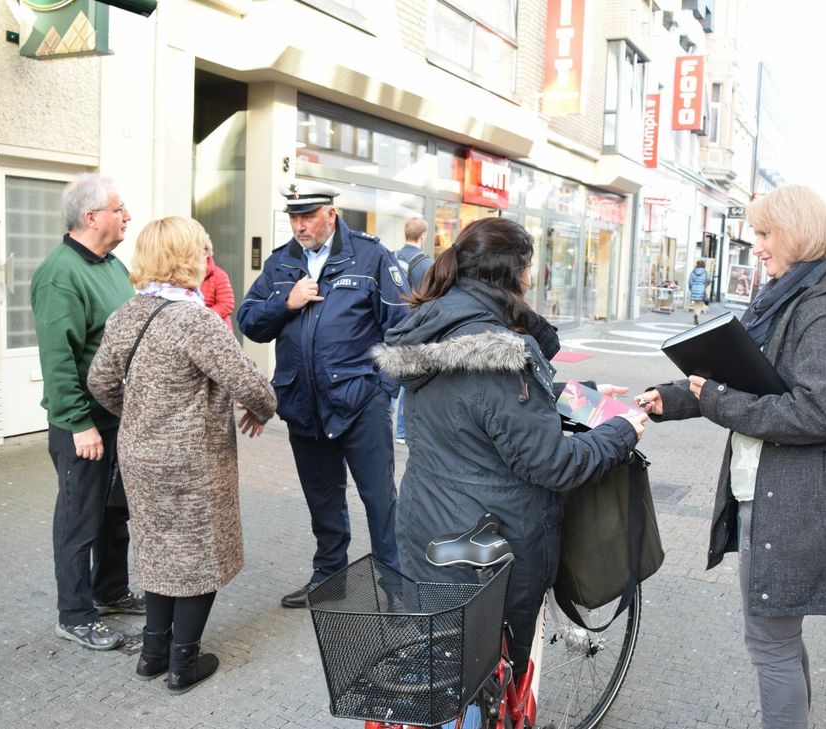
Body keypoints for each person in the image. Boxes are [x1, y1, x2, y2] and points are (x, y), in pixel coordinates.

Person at [637, 185, 826, 729]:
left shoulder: (824, 316)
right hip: (771, 497)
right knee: (779, 640)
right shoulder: (785, 303)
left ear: (798, 233)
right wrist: (672, 399)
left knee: (769, 643)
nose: (758, 247)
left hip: (792, 505)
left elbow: (818, 414)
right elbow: (746, 383)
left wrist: (714, 399)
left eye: (766, 234)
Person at [373, 217, 648, 670]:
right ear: (517, 273)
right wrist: (622, 432)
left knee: (442, 661)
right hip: (494, 541)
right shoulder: (497, 350)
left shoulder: (437, 325)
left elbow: (474, 409)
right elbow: (553, 464)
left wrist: (583, 395)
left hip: (428, 523)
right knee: (493, 670)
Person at [88, 216, 276, 693]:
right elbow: (249, 382)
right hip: (193, 459)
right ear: (187, 258)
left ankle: (153, 654)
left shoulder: (126, 313)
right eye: (202, 250)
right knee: (198, 556)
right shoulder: (195, 320)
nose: (207, 258)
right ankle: (182, 664)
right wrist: (263, 408)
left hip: (138, 455)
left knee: (157, 549)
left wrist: (138, 417)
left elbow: (99, 383)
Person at [237, 180, 410, 609]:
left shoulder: (371, 256)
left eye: (308, 216)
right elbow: (249, 321)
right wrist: (286, 304)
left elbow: (402, 327)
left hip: (359, 403)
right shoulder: (281, 264)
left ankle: (397, 585)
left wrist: (382, 391)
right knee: (322, 498)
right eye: (293, 217)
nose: (299, 226)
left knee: (379, 500)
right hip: (303, 404)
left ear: (331, 214)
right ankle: (329, 576)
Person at [31, 173, 143, 651]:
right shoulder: (61, 274)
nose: (127, 217)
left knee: (113, 513)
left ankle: (110, 590)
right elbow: (58, 360)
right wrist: (79, 424)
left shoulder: (111, 266)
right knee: (79, 520)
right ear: (91, 216)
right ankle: (74, 614)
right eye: (120, 209)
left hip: (117, 420)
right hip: (84, 426)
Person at [392, 217, 432, 444]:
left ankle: (386, 425)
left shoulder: (392, 257)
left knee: (389, 372)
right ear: (423, 235)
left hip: (392, 325)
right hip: (414, 327)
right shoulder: (426, 265)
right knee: (408, 378)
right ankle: (401, 430)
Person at [200, 228, 235, 330]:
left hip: (216, 329)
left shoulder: (219, 275)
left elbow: (227, 304)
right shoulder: (184, 275)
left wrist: (203, 317)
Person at [687, 259, 711, 325]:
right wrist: (705, 285)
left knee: (696, 304)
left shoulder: (693, 272)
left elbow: (690, 282)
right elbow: (708, 280)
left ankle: (695, 314)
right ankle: (697, 315)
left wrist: (691, 288)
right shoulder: (705, 272)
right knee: (699, 304)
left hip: (694, 288)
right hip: (702, 289)